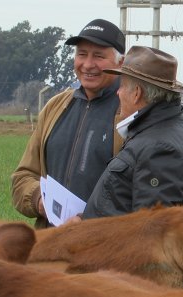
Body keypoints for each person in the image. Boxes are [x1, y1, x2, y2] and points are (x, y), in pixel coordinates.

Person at [11, 19, 125, 228]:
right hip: (49, 244)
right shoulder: (55, 108)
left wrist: (89, 220)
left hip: (102, 247)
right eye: (81, 54)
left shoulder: (129, 113)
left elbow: (137, 193)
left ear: (121, 63)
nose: (88, 64)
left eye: (99, 56)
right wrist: (40, 201)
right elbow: (23, 177)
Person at [82, 46, 183, 219]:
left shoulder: (160, 149)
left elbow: (152, 233)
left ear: (137, 93)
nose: (118, 92)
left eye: (122, 86)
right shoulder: (157, 132)